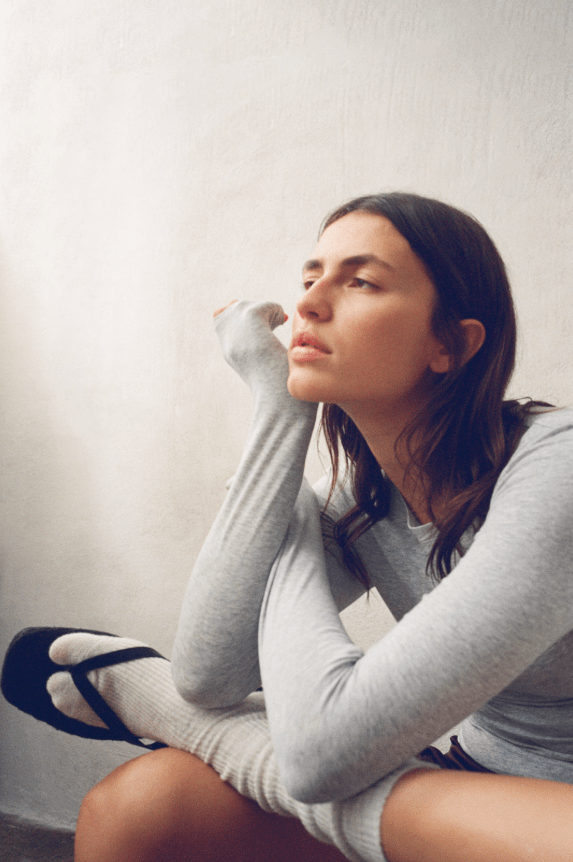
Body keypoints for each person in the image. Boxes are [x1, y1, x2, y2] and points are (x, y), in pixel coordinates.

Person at [3, 192, 573, 862]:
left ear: (450, 343)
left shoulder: (556, 470)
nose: (309, 304)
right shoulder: (362, 501)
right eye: (309, 278)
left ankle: (173, 719)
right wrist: (278, 418)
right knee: (141, 808)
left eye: (360, 282)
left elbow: (315, 756)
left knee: (306, 753)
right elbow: (210, 673)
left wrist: (286, 497)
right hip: (474, 780)